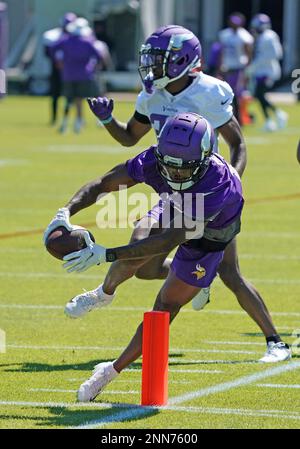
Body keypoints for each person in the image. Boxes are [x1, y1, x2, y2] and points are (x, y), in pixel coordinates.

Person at [45, 25, 290, 363]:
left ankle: (276, 342)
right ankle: (110, 291)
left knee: (230, 273)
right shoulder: (152, 95)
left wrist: (232, 182)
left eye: (159, 59)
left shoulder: (208, 92)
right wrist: (107, 120)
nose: (151, 66)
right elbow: (130, 138)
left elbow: (238, 143)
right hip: (169, 186)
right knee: (144, 262)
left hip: (207, 195)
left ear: (182, 61)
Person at [44, 114, 291, 401]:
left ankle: (109, 372)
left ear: (203, 160)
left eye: (183, 169)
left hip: (210, 235)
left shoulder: (216, 184)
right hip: (176, 207)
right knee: (139, 250)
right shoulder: (155, 160)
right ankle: (104, 293)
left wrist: (105, 254)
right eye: (168, 166)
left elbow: (169, 240)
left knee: (165, 305)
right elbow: (104, 184)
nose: (174, 174)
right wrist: (65, 212)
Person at [51, 17, 103, 134]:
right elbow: (99, 56)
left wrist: (58, 61)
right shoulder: (88, 41)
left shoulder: (65, 40)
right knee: (83, 99)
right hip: (85, 75)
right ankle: (79, 123)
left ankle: (64, 124)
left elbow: (52, 48)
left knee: (68, 100)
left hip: (68, 75)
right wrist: (94, 67)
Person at [249, 14, 288, 132]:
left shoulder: (270, 36)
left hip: (268, 70)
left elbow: (277, 53)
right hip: (260, 71)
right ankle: (271, 119)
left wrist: (256, 63)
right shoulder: (260, 37)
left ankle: (275, 116)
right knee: (259, 95)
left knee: (259, 94)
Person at [218, 13, 254, 125]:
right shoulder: (225, 34)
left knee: (236, 94)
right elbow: (222, 51)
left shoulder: (244, 36)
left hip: (238, 68)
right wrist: (220, 66)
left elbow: (248, 54)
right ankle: (227, 117)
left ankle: (239, 119)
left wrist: (247, 71)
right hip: (227, 67)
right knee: (225, 93)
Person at [43, 12, 77, 125]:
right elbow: (47, 52)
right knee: (55, 95)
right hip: (56, 69)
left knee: (70, 96)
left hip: (70, 69)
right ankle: (54, 118)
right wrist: (57, 62)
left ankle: (66, 119)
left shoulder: (77, 36)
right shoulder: (53, 36)